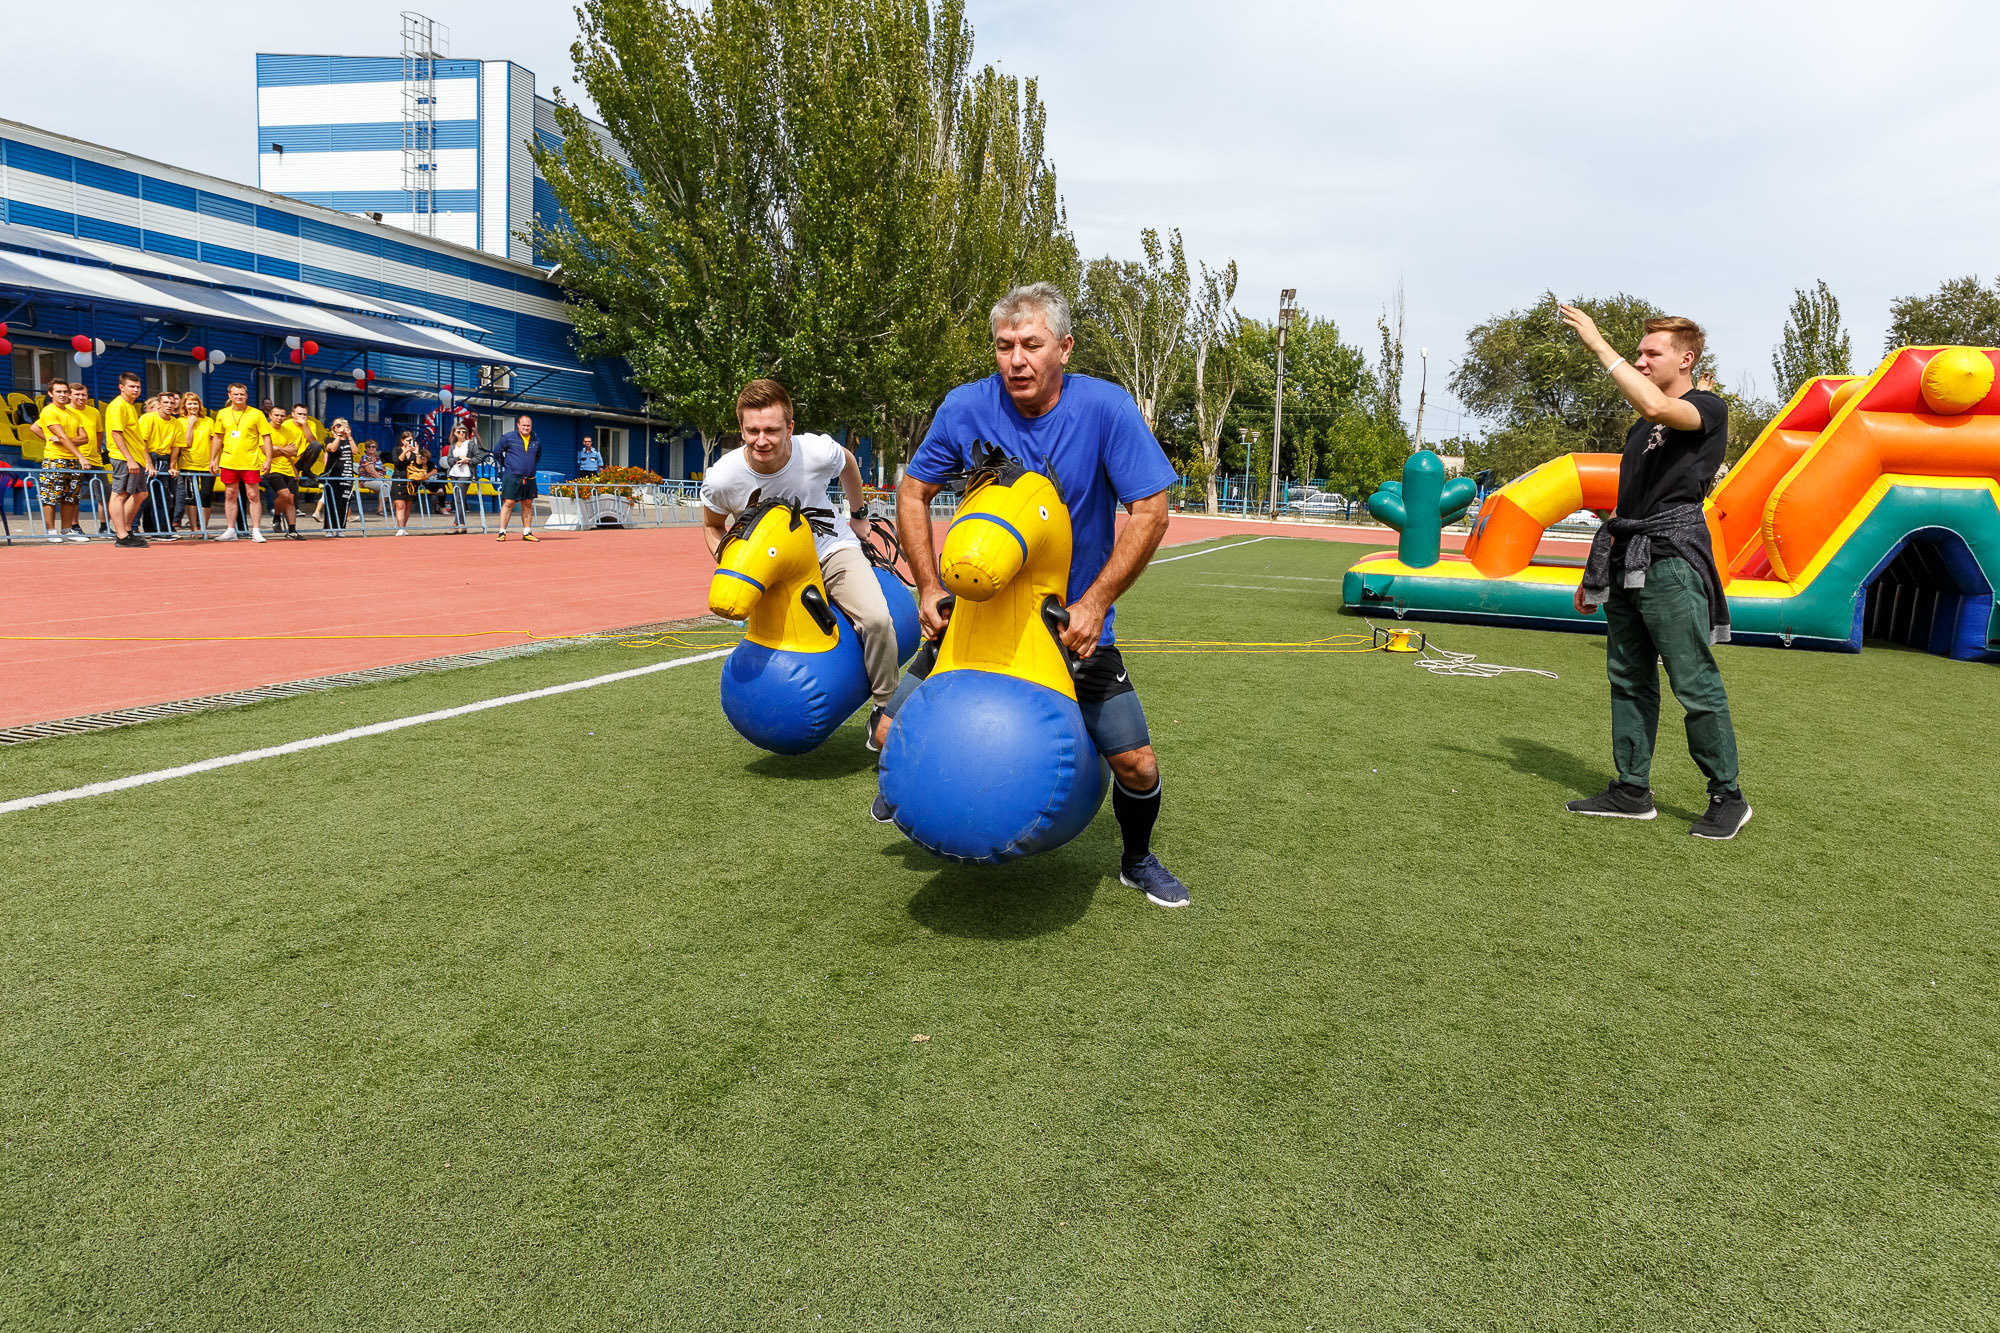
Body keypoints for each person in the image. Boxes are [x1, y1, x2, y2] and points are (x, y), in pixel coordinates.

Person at [877, 281, 1190, 908]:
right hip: (972, 622)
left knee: (1137, 765)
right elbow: (912, 492)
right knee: (887, 734)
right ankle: (917, 789)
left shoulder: (1105, 409)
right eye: (1004, 346)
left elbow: (1151, 510)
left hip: (1069, 629)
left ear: (1064, 348)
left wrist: (1095, 603)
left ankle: (1136, 860)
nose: (1016, 359)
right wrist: (929, 585)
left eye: (1031, 345)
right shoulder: (966, 407)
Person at [1558, 305, 1749, 840]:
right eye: (1637, 353)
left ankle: (1728, 796)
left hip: (1671, 561)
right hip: (1628, 557)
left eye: (1651, 353)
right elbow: (1629, 502)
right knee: (1628, 678)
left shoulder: (1707, 407)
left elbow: (1656, 404)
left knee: (1693, 681)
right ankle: (1631, 790)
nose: (1640, 360)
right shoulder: (1642, 427)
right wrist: (1596, 573)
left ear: (1686, 359)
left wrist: (1598, 344)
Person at [701, 379, 900, 715]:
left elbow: (848, 462)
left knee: (878, 620)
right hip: (775, 570)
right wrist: (736, 567)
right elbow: (712, 525)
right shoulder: (723, 478)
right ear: (741, 429)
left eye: (771, 430)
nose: (761, 440)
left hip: (830, 550)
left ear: (790, 428)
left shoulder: (816, 452)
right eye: (752, 431)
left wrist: (859, 515)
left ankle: (885, 708)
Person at [210, 382, 273, 543]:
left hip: (250, 461)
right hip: (229, 461)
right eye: (236, 394)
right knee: (230, 495)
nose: (239, 397)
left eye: (242, 394)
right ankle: (230, 530)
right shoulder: (222, 414)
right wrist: (213, 459)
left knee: (253, 495)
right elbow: (218, 437)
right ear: (229, 395)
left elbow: (266, 437)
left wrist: (268, 459)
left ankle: (256, 530)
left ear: (246, 396)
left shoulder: (256, 414)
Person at [33, 379, 93, 543]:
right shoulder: (49, 411)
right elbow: (61, 435)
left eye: (65, 392)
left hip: (72, 461)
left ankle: (66, 530)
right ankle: (50, 531)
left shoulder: (74, 414)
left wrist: (64, 441)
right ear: (50, 393)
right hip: (55, 459)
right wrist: (79, 454)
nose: (62, 395)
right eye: (58, 391)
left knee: (70, 497)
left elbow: (85, 438)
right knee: (50, 496)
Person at [101, 372, 153, 547]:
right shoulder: (118, 406)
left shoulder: (130, 406)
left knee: (141, 493)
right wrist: (129, 458)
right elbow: (116, 433)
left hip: (136, 457)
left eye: (138, 387)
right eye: (131, 386)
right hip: (123, 457)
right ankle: (121, 535)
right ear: (121, 387)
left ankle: (127, 529)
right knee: (119, 494)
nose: (136, 390)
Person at [172, 392, 219, 533]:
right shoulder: (180, 422)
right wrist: (191, 424)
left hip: (207, 464)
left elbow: (215, 443)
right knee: (191, 497)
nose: (193, 406)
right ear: (184, 406)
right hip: (188, 464)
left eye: (195, 403)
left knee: (206, 495)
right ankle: (194, 529)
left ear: (200, 405)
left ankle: (203, 528)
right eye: (190, 404)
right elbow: (186, 443)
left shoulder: (209, 421)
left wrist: (215, 461)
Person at [138, 395, 182, 538]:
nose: (169, 405)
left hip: (164, 459)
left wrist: (172, 466)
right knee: (140, 495)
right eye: (166, 402)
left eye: (172, 403)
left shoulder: (176, 423)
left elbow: (176, 446)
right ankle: (132, 528)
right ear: (159, 404)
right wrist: (149, 464)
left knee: (162, 497)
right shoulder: (148, 418)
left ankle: (160, 530)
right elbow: (142, 442)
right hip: (149, 457)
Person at [65, 383, 106, 535]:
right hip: (74, 458)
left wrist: (97, 448)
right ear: (70, 395)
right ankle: (74, 526)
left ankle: (104, 527)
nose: (81, 397)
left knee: (105, 494)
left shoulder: (94, 412)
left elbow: (99, 432)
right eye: (77, 394)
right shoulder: (65, 411)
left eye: (84, 394)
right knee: (73, 495)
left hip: (94, 459)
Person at [493, 414, 539, 541]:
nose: (526, 428)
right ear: (518, 425)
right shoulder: (508, 437)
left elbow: (537, 457)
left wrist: (528, 467)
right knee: (508, 503)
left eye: (528, 425)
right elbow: (496, 452)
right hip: (512, 476)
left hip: (529, 477)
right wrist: (508, 465)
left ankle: (527, 532)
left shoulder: (536, 440)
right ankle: (502, 532)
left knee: (528, 504)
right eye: (524, 425)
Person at [265, 403, 307, 538]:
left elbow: (294, 452)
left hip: (288, 468)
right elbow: (267, 451)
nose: (279, 418)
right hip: (271, 468)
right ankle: (277, 516)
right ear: (270, 415)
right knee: (285, 495)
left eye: (282, 416)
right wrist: (283, 450)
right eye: (276, 415)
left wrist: (277, 448)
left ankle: (292, 530)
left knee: (291, 500)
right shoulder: (265, 429)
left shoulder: (287, 431)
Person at [386, 429, 430, 536]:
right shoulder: (397, 450)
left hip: (411, 481)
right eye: (407, 440)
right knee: (400, 505)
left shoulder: (415, 451)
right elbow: (397, 462)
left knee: (408, 505)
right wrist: (405, 451)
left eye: (411, 440)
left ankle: (403, 527)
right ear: (402, 441)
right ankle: (400, 528)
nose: (409, 442)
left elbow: (419, 465)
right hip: (399, 479)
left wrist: (417, 453)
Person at [319, 417, 356, 534]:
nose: (342, 427)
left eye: (344, 425)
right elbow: (332, 449)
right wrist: (339, 436)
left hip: (347, 476)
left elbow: (355, 451)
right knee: (331, 503)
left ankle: (340, 528)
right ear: (334, 428)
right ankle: (329, 529)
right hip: (333, 476)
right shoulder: (330, 439)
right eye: (338, 425)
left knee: (343, 504)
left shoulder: (349, 441)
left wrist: (349, 437)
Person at [442, 421, 479, 533]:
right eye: (459, 431)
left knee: (459, 498)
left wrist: (468, 460)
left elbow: (478, 458)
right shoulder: (452, 446)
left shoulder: (470, 444)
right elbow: (449, 460)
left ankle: (457, 524)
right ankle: (461, 524)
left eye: (464, 431)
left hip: (466, 474)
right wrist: (458, 459)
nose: (462, 433)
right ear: (454, 433)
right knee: (457, 499)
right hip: (454, 473)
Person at [356, 441, 390, 520]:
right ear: (366, 449)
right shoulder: (365, 458)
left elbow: (383, 469)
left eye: (373, 447)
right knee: (385, 486)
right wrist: (383, 480)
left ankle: (391, 507)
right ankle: (380, 509)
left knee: (394, 484)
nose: (371, 448)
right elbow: (371, 471)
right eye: (369, 447)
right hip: (367, 480)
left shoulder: (377, 458)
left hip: (379, 479)